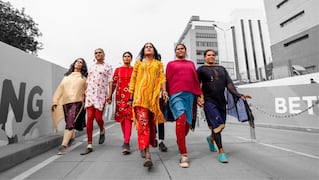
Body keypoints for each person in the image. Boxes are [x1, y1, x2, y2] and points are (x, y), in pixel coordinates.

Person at [197, 49, 251, 163]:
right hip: (209, 101)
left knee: (221, 126)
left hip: (221, 101)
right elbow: (196, 85)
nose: (211, 57)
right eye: (208, 55)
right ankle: (221, 151)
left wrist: (238, 95)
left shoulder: (222, 69)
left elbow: (229, 84)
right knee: (217, 126)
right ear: (204, 57)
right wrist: (199, 97)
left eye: (213, 55)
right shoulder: (201, 69)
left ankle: (211, 139)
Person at [128, 42, 168, 168]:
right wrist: (130, 97)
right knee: (143, 124)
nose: (148, 48)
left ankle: (144, 145)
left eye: (151, 46)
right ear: (143, 50)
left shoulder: (158, 64)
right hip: (140, 98)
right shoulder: (138, 64)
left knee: (150, 124)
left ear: (154, 50)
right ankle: (147, 154)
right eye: (146, 46)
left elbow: (162, 78)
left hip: (153, 99)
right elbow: (133, 80)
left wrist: (164, 91)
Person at [165, 43, 202, 168]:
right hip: (176, 95)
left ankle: (179, 139)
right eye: (177, 49)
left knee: (187, 124)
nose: (180, 50)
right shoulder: (171, 64)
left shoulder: (191, 64)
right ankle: (184, 154)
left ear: (185, 51)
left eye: (182, 49)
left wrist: (199, 95)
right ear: (175, 52)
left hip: (190, 96)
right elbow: (166, 79)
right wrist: (165, 93)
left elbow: (195, 80)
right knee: (180, 119)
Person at [51, 58, 88, 155]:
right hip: (65, 102)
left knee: (70, 122)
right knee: (69, 122)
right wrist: (55, 101)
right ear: (74, 63)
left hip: (78, 102)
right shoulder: (66, 77)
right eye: (77, 61)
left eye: (81, 62)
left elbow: (87, 91)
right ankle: (71, 137)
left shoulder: (84, 78)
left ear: (83, 66)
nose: (79, 63)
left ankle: (63, 146)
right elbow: (60, 89)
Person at [80, 48, 113, 155]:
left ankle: (102, 129)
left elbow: (110, 82)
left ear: (104, 54)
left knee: (98, 117)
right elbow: (88, 81)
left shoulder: (108, 67)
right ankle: (89, 144)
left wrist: (109, 94)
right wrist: (84, 92)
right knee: (89, 118)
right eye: (96, 53)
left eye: (100, 53)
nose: (98, 54)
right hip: (90, 94)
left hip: (101, 94)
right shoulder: (92, 67)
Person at [109, 51, 134, 155]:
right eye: (125, 56)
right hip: (119, 97)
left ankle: (126, 142)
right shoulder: (118, 70)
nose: (126, 58)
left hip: (131, 97)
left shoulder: (134, 70)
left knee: (129, 118)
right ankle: (126, 139)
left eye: (128, 56)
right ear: (123, 58)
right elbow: (113, 83)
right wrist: (109, 96)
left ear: (131, 58)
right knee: (122, 119)